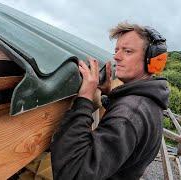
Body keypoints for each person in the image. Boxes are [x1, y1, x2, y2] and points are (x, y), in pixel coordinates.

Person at [50, 22, 170, 180]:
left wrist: (84, 99)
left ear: (151, 60)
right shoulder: (149, 100)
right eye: (116, 50)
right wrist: (110, 94)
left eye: (127, 51)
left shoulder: (128, 116)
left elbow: (73, 172)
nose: (117, 57)